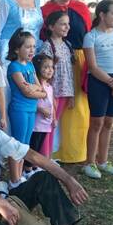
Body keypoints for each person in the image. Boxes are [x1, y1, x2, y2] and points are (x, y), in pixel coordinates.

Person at [41, 0, 92, 164]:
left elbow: (87, 34)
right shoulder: (46, 10)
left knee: (76, 107)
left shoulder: (81, 8)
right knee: (50, 106)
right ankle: (49, 152)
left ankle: (73, 152)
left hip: (77, 59)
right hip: (53, 60)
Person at [82, 0, 113, 179]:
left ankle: (103, 161)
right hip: (99, 82)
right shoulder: (91, 36)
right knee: (96, 123)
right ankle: (90, 163)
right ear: (102, 15)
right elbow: (93, 67)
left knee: (109, 123)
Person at [6, 30, 46, 188]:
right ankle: (14, 179)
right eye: (28, 47)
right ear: (17, 49)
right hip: (19, 110)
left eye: (34, 47)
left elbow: (40, 89)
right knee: (17, 144)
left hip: (31, 109)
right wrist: (36, 91)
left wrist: (36, 90)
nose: (32, 50)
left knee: (25, 145)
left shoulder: (30, 65)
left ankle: (20, 174)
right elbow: (26, 92)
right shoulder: (14, 67)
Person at [39, 11, 74, 158]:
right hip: (53, 92)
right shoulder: (47, 46)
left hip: (65, 91)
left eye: (68, 24)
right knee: (48, 124)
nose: (67, 27)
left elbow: (69, 71)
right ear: (52, 27)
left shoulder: (67, 45)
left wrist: (71, 94)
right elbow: (45, 72)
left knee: (54, 123)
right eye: (63, 24)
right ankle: (44, 158)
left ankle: (48, 157)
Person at [24, 54, 56, 176]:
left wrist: (54, 118)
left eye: (51, 67)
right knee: (33, 144)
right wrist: (41, 110)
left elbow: (51, 104)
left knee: (40, 145)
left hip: (46, 124)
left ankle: (34, 166)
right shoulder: (37, 86)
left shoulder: (49, 87)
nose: (50, 70)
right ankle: (27, 168)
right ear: (38, 69)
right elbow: (33, 102)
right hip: (37, 123)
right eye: (46, 67)